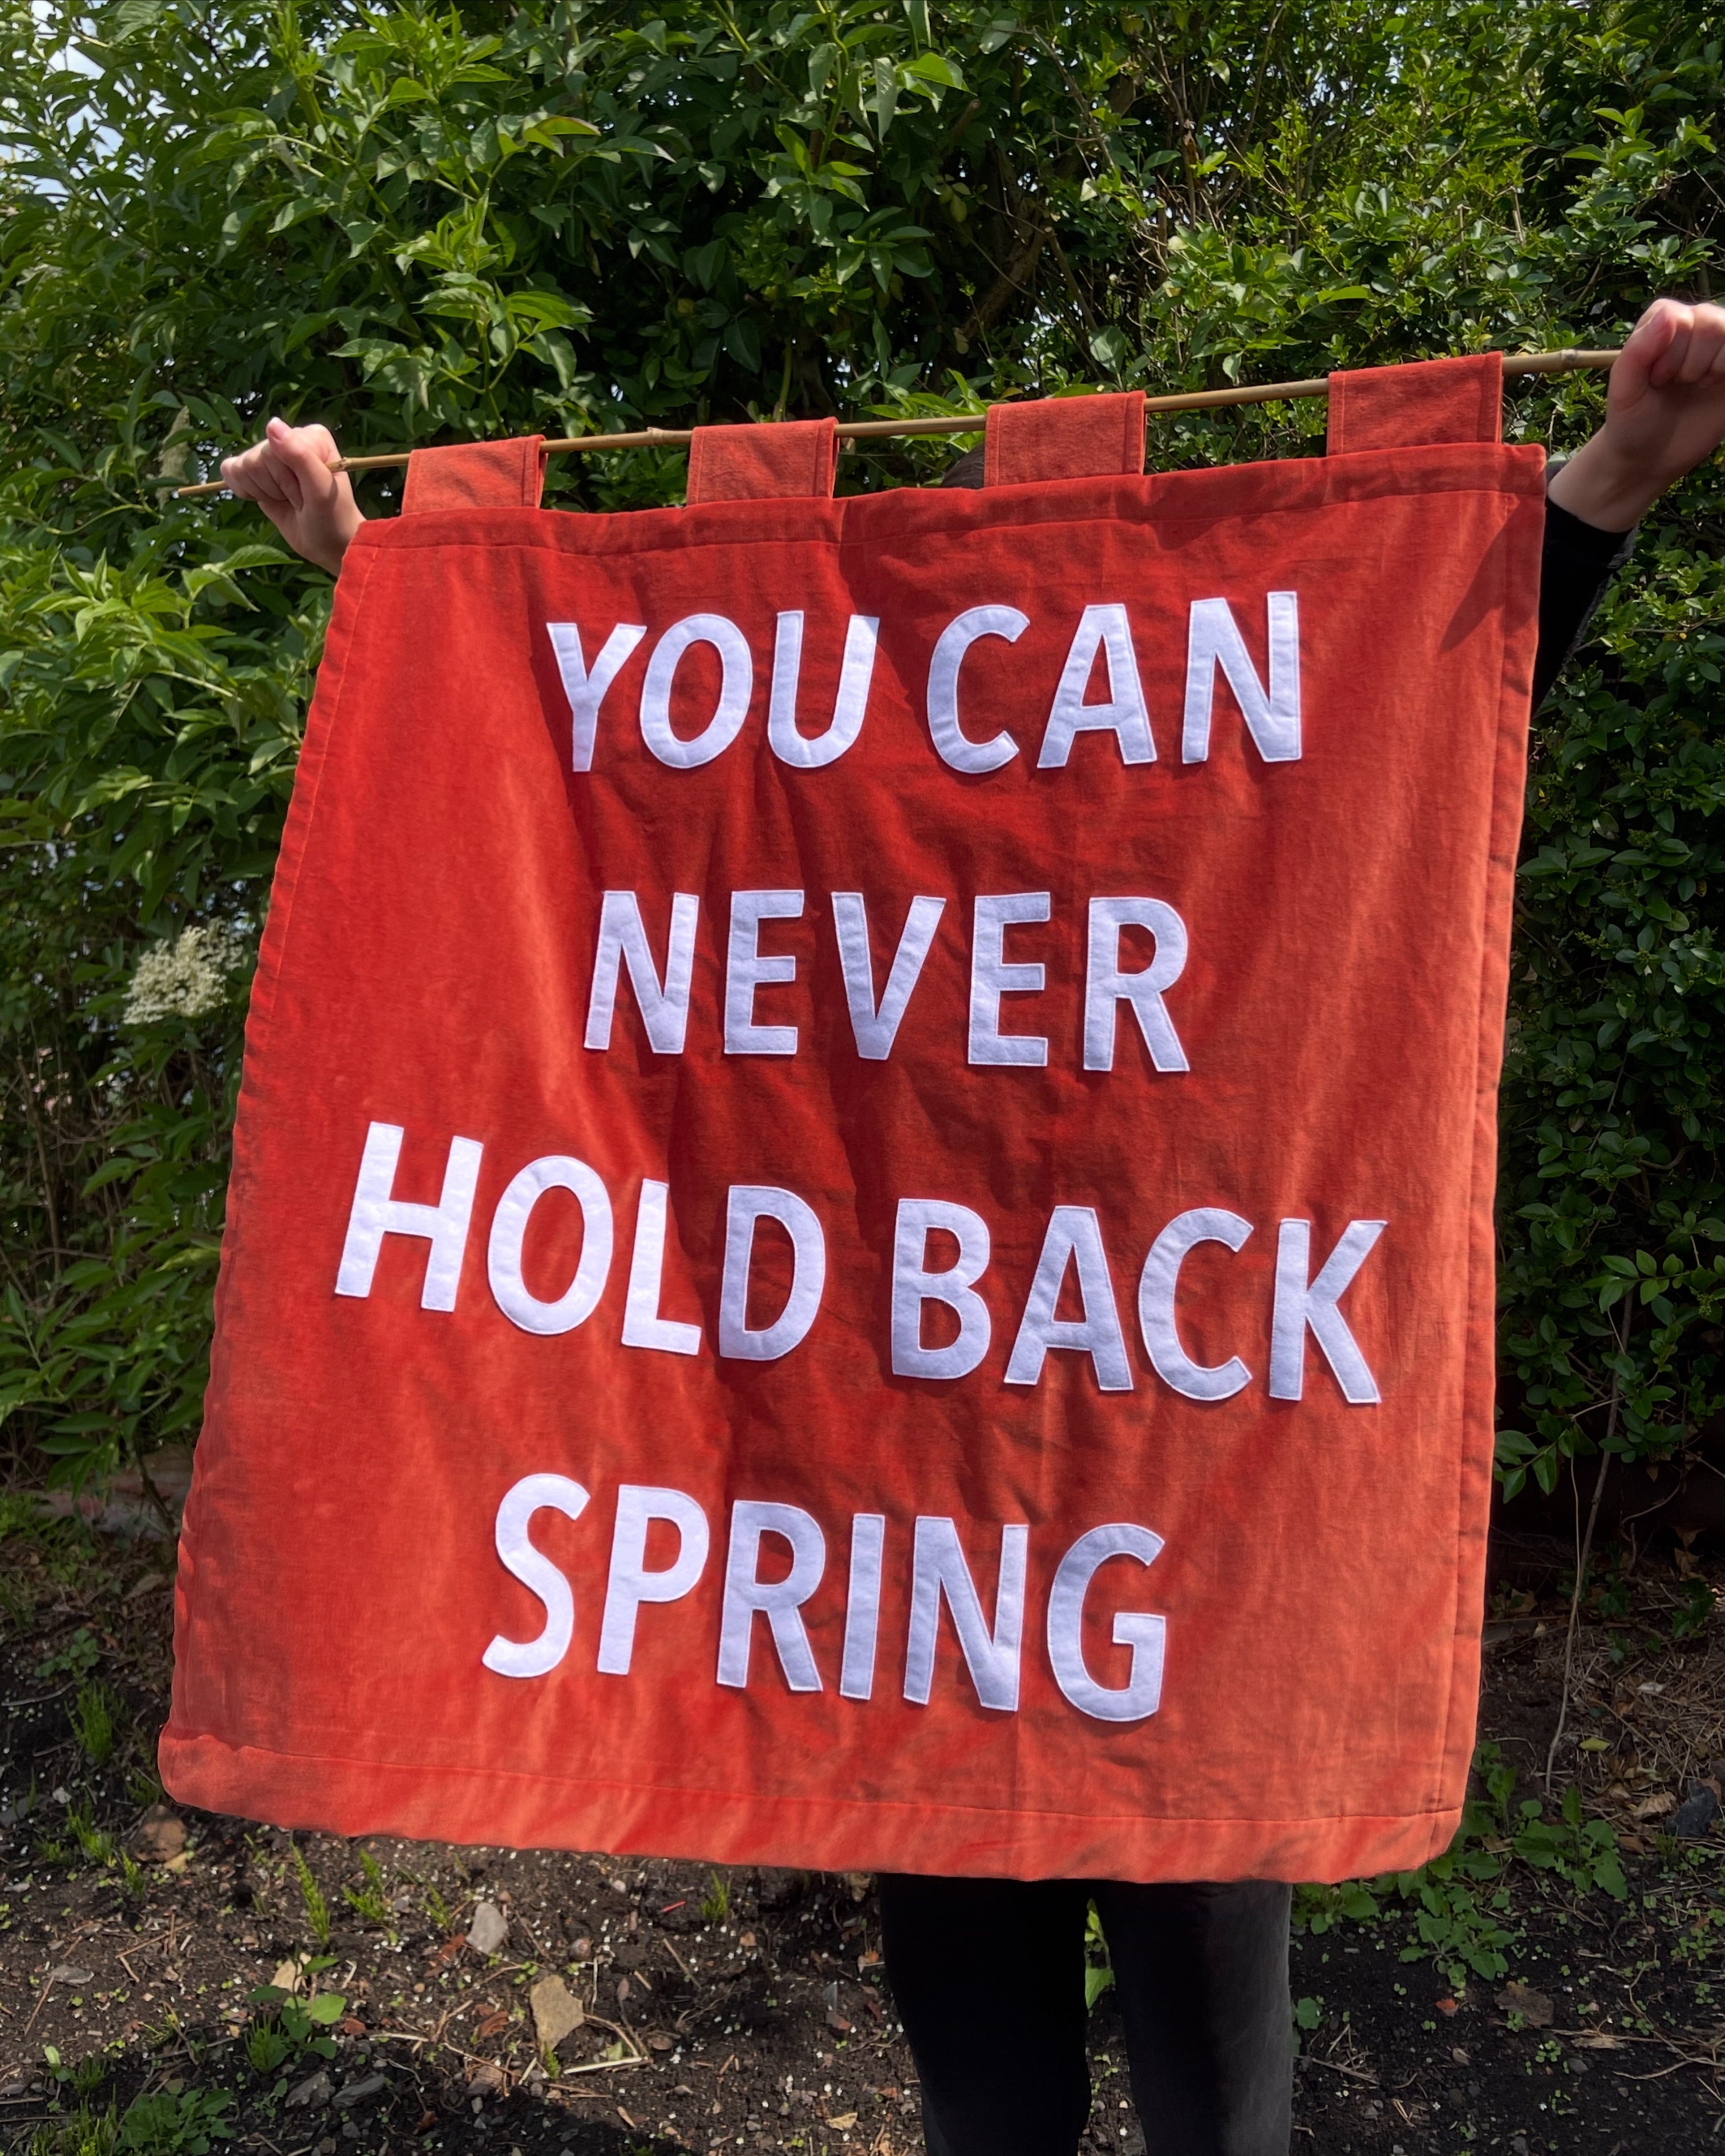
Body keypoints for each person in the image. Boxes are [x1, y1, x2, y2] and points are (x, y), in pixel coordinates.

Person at [221, 295, 1725, 2156]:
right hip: (905, 1598)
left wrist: (1611, 482)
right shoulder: (813, 843)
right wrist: (365, 562)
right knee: (985, 2094)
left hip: (1155, 1576)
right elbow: (577, 782)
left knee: (1213, 2091)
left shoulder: (1188, 829)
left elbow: (1395, 713)